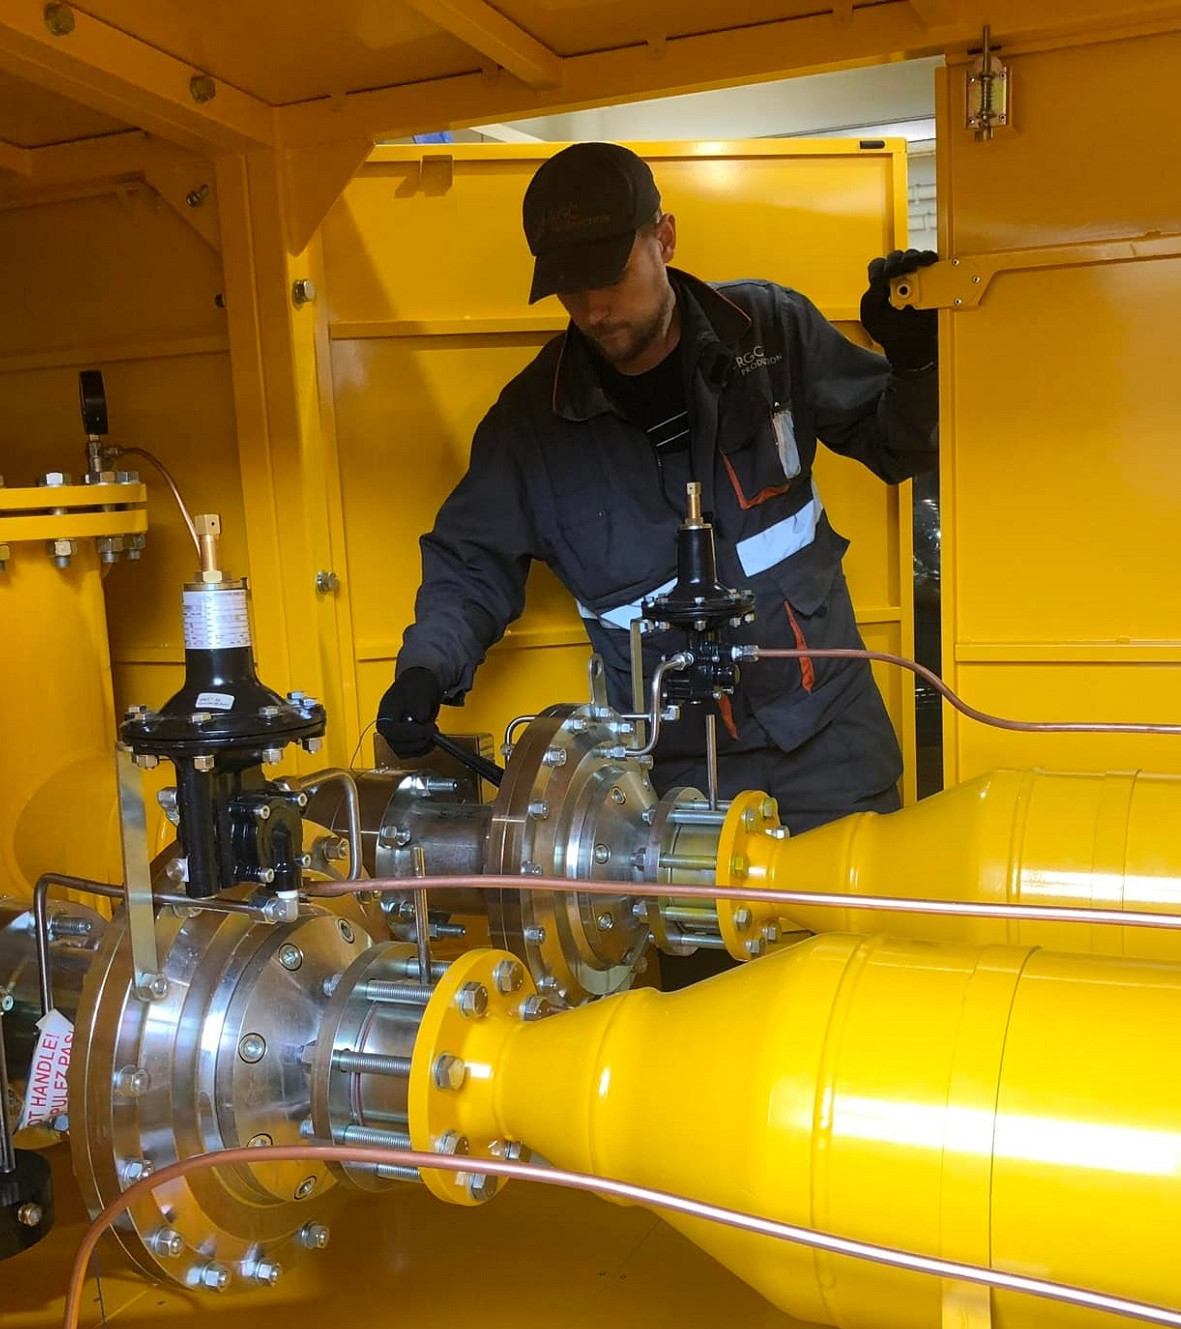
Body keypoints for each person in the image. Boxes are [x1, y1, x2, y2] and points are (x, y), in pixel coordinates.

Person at [376, 141, 937, 835]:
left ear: (664, 239)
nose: (593, 309)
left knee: (861, 906)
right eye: (569, 288)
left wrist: (918, 363)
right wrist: (425, 669)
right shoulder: (531, 426)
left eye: (609, 276)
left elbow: (897, 444)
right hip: (678, 781)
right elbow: (469, 566)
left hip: (832, 745)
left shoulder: (770, 334)